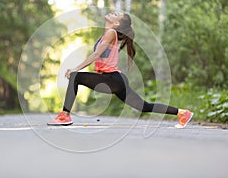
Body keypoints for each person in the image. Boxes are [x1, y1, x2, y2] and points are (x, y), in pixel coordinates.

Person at [47, 12, 193, 128]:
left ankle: (64, 115)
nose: (112, 13)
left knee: (75, 77)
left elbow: (96, 54)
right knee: (144, 106)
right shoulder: (107, 33)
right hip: (115, 79)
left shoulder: (111, 33)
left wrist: (75, 69)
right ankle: (182, 113)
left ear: (116, 23)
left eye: (116, 15)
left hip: (112, 79)